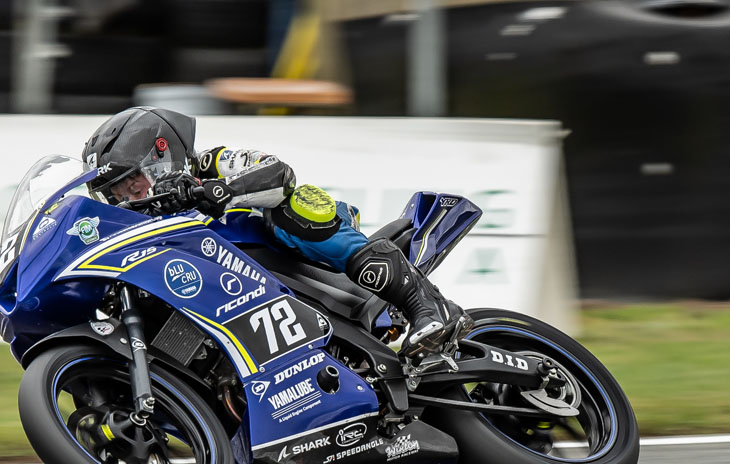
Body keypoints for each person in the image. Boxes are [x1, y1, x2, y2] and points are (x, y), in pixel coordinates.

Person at [82, 106, 470, 356]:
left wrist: (217, 190)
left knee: (294, 206)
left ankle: (424, 303)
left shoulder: (212, 162)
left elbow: (279, 173)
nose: (128, 197)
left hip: (293, 253)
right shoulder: (146, 231)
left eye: (132, 182)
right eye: (115, 193)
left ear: (161, 153)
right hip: (237, 305)